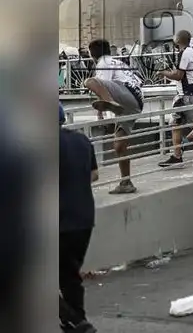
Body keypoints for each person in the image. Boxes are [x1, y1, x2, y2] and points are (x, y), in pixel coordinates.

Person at [83, 38, 144, 194]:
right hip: (136, 103)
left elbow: (101, 83)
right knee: (119, 145)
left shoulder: (103, 62)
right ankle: (126, 182)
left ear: (92, 54)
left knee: (89, 81)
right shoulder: (119, 62)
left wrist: (100, 112)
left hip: (126, 96)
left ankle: (110, 102)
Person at [59, 104, 99, 333]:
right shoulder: (82, 141)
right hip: (83, 219)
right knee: (69, 276)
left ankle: (77, 322)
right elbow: (94, 174)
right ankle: (74, 323)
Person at [158, 30, 193, 168]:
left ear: (177, 40)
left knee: (180, 125)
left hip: (186, 95)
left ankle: (179, 156)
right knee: (183, 124)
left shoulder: (184, 53)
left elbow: (179, 75)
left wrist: (164, 73)